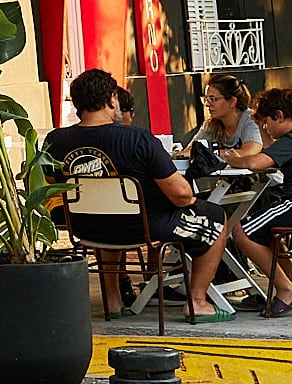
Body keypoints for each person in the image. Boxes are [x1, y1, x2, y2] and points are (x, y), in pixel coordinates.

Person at [44, 69, 214, 312]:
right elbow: (181, 195)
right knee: (217, 217)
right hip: (143, 227)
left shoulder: (55, 140)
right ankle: (197, 302)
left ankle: (113, 302)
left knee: (105, 217)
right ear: (112, 99)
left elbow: (51, 181)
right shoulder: (138, 138)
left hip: (84, 226)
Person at [185, 87, 292, 318]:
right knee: (262, 229)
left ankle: (287, 290)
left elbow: (256, 163)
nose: (264, 128)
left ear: (279, 116)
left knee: (241, 230)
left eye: (265, 122)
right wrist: (261, 127)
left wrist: (229, 156)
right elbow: (268, 151)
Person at [190, 74, 263, 175]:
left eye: (213, 99)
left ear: (232, 101)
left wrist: (211, 154)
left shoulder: (251, 120)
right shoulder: (212, 125)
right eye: (206, 99)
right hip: (232, 183)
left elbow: (249, 153)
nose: (207, 104)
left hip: (265, 184)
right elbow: (191, 150)